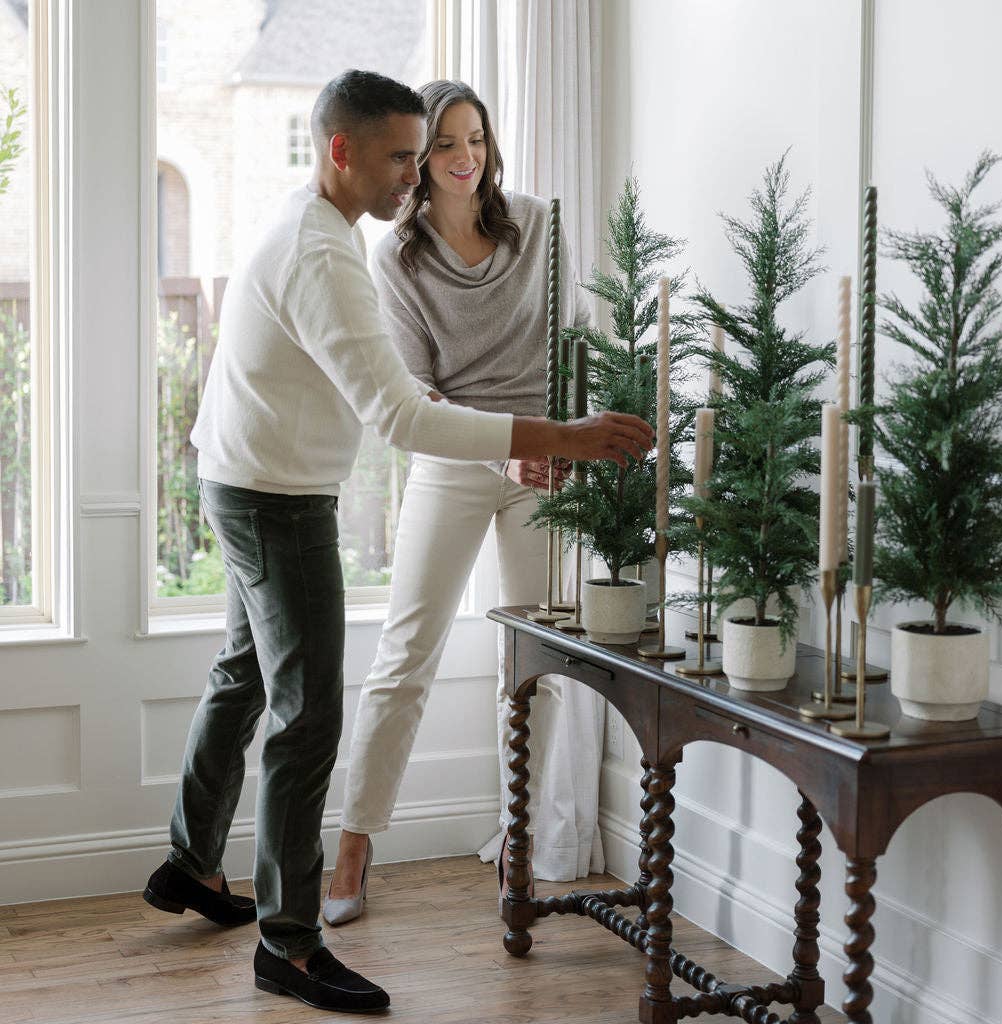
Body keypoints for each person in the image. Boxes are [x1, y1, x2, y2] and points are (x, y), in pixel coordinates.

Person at [141, 68, 653, 1016]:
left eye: (431, 153)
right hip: (276, 497)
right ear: (342, 151)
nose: (416, 175)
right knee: (307, 716)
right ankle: (290, 946)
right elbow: (402, 415)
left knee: (243, 674)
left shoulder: (321, 223)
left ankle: (191, 862)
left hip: (240, 471)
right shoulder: (331, 254)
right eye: (403, 156)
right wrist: (563, 437)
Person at [323, 80, 606, 929]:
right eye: (444, 143)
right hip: (454, 459)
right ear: (419, 159)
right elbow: (415, 394)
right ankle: (353, 844)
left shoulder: (539, 225)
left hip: (546, 466)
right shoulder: (398, 260)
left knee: (537, 662)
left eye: (474, 138)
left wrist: (561, 443)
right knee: (405, 654)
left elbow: (578, 339)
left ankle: (522, 832)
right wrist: (503, 449)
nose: (463, 157)